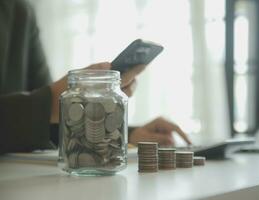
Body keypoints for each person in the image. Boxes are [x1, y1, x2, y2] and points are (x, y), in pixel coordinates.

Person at [0, 0, 191, 154]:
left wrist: (124, 135)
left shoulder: (20, 12)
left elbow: (46, 125)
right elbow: (48, 108)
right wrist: (56, 100)